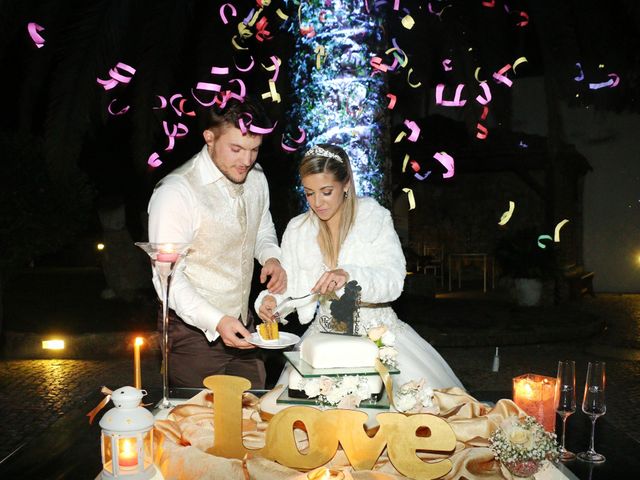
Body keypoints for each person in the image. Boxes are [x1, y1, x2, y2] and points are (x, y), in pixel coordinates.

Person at [255, 143, 463, 390]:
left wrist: (349, 276)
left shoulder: (373, 217)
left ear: (346, 184)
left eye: (326, 191)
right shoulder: (298, 229)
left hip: (379, 339)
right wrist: (271, 303)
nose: (317, 202)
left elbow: (394, 280)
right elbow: (290, 287)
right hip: (323, 343)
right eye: (309, 193)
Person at [147, 97, 286, 389]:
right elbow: (167, 279)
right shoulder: (176, 192)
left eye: (254, 150)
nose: (247, 161)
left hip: (244, 325)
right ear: (209, 138)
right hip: (191, 336)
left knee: (253, 417)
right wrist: (216, 320)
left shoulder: (257, 177)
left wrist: (271, 256)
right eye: (236, 149)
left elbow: (262, 227)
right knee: (198, 425)